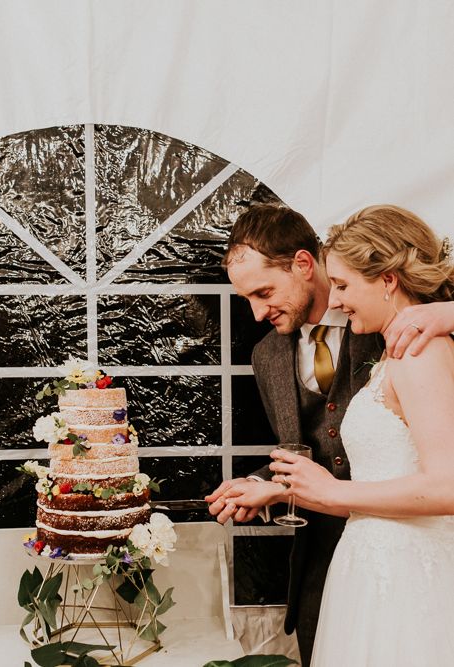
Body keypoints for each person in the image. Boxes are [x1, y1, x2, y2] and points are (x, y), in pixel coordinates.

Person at [204, 204, 454, 667]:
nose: (257, 313)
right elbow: (311, 449)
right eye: (246, 300)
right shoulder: (267, 356)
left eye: (263, 292)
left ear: (303, 264)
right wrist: (268, 485)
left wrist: (449, 313)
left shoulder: (412, 331)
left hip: (415, 563)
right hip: (332, 571)